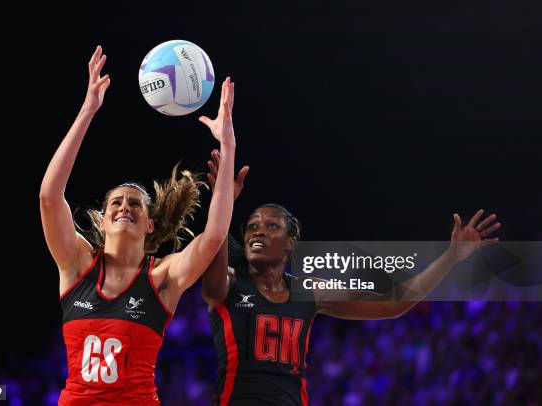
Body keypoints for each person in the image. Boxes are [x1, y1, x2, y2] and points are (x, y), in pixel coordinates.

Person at [201, 150, 501, 406]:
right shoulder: (228, 282)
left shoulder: (309, 291)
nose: (258, 232)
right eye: (252, 227)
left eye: (270, 226)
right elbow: (214, 245)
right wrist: (222, 201)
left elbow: (394, 303)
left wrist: (451, 257)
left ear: (291, 242)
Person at [39, 45, 236, 405]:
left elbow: (214, 237)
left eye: (135, 204)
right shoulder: (78, 265)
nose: (124, 207)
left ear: (149, 224)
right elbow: (50, 197)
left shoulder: (161, 277)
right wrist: (88, 110)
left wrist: (228, 143)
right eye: (115, 202)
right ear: (101, 219)